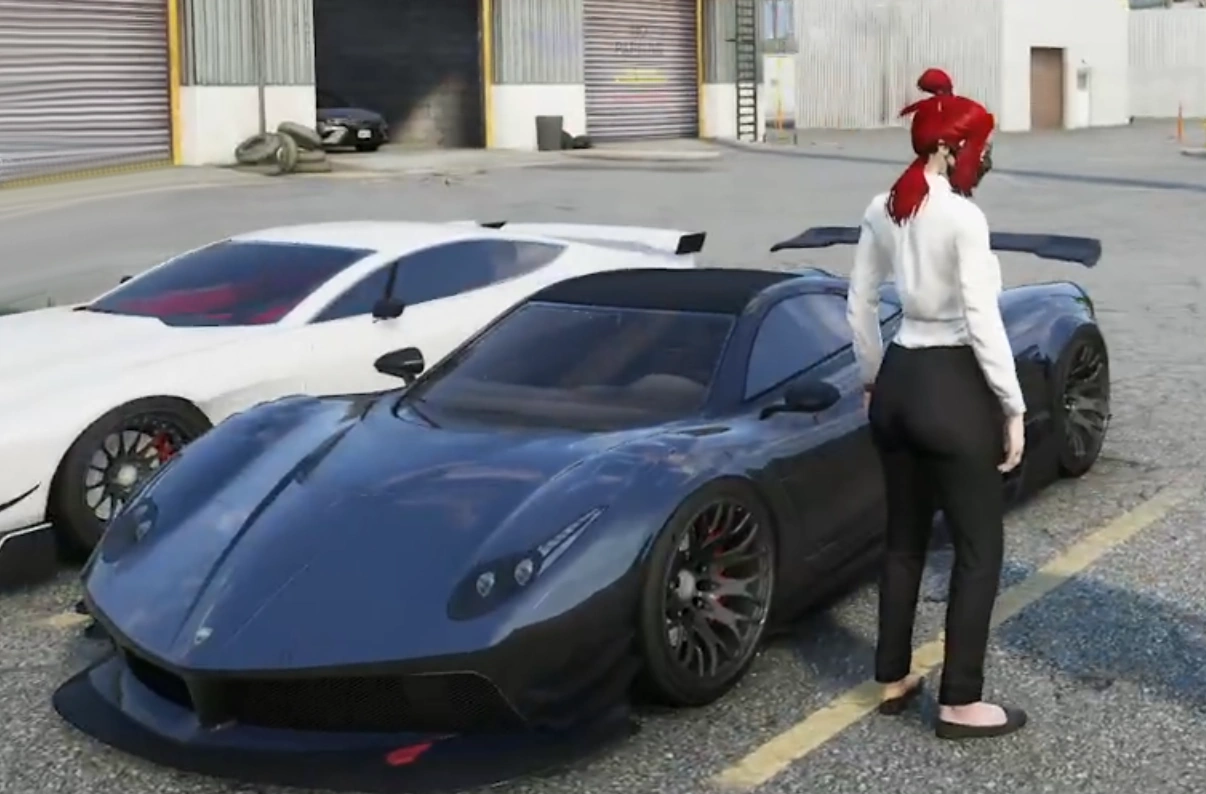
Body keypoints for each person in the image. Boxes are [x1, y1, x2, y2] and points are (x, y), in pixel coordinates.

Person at [845, 67, 1028, 740]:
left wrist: (872, 378)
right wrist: (1011, 405)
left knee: (903, 540)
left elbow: (859, 302)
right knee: (979, 548)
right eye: (982, 145)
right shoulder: (963, 217)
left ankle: (893, 676)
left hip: (897, 378)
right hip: (952, 385)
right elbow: (982, 318)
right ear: (952, 147)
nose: (986, 156)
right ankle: (960, 701)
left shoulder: (885, 206)